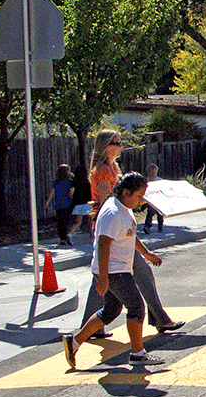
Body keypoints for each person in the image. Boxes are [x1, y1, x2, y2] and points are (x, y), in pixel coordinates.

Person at [81, 130, 185, 339]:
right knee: (132, 274)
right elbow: (106, 203)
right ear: (105, 146)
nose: (120, 146)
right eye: (116, 143)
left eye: (120, 142)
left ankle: (90, 326)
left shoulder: (113, 168)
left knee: (101, 279)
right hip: (112, 231)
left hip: (119, 230)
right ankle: (159, 319)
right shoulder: (102, 170)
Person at [63, 173, 166, 368]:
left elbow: (129, 234)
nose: (142, 200)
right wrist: (103, 278)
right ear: (126, 192)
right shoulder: (113, 212)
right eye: (139, 195)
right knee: (136, 307)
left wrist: (146, 254)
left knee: (110, 310)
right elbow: (103, 245)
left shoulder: (123, 208)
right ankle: (137, 353)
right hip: (113, 270)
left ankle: (74, 341)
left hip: (116, 268)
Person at [44, 165, 75, 246]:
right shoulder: (70, 181)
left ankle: (62, 239)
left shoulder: (55, 181)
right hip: (67, 203)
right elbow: (71, 192)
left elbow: (51, 193)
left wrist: (47, 202)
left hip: (58, 204)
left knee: (60, 222)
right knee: (67, 221)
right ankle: (67, 235)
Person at [69, 166, 93, 238]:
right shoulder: (88, 181)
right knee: (90, 222)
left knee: (78, 222)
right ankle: (92, 237)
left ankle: (70, 233)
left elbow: (71, 192)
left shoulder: (75, 181)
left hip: (78, 203)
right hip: (89, 203)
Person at [141, 164, 163, 234]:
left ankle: (147, 225)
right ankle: (160, 227)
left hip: (150, 199)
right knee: (159, 214)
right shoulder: (160, 180)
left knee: (150, 213)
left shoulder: (146, 180)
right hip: (158, 199)